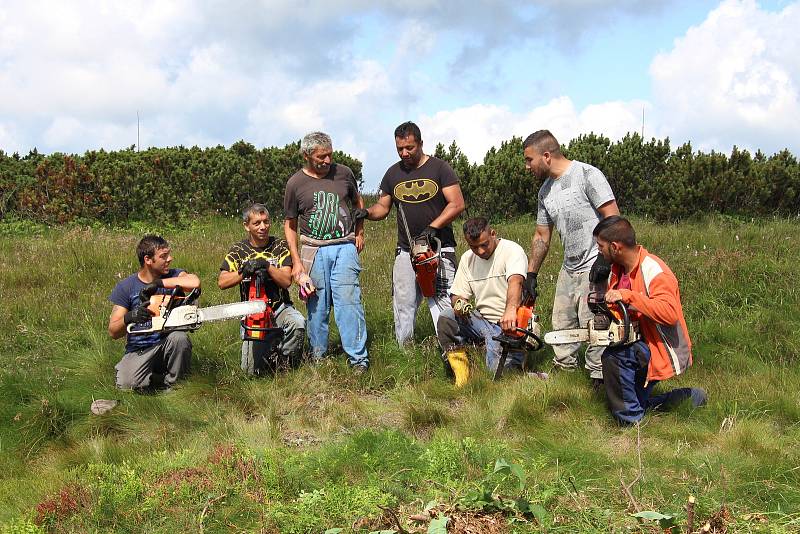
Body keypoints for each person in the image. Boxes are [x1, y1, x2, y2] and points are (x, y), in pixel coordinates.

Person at [523, 129, 619, 388]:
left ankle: (599, 380)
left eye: (529, 160)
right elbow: (542, 235)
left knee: (597, 325)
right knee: (562, 324)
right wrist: (531, 274)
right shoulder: (544, 192)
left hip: (595, 264)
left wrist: (605, 259)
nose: (527, 166)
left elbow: (613, 217)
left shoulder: (588, 175)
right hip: (569, 266)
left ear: (546, 156)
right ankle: (565, 376)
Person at [355, 121, 465, 344]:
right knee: (403, 303)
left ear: (421, 143)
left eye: (409, 148)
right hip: (406, 251)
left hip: (439, 248)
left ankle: (452, 349)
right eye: (399, 149)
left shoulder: (439, 168)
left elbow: (457, 203)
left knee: (442, 301)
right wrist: (365, 212)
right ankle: (405, 352)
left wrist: (433, 227)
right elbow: (383, 207)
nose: (404, 153)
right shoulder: (393, 174)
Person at [593, 216, 706, 424]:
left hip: (660, 346)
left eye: (600, 246)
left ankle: (631, 422)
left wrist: (628, 296)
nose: (598, 251)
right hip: (639, 341)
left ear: (615, 247)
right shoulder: (618, 270)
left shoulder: (654, 270)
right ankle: (690, 397)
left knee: (614, 357)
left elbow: (669, 313)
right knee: (635, 398)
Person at [283, 131, 369, 373]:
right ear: (307, 155)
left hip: (344, 246)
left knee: (349, 303)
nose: (328, 160)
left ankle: (358, 360)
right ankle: (318, 357)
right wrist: (296, 262)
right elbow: (289, 225)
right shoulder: (295, 184)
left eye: (330, 154)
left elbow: (358, 202)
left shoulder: (344, 173)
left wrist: (359, 231)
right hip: (313, 249)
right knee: (316, 306)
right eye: (322, 156)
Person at [436, 217, 536, 386]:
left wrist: (510, 310)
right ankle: (463, 377)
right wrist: (460, 304)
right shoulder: (468, 259)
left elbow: (516, 282)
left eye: (484, 245)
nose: (480, 251)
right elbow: (456, 295)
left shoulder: (511, 250)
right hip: (481, 322)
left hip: (510, 325)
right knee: (446, 318)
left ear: (493, 234)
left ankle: (522, 370)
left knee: (499, 378)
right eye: (474, 247)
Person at [218, 203, 306, 375]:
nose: (262, 227)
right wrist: (243, 272)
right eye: (257, 223)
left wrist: (267, 266)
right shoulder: (238, 250)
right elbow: (222, 282)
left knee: (298, 324)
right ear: (246, 226)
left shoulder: (279, 246)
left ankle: (283, 363)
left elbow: (286, 280)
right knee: (250, 372)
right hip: (252, 312)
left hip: (279, 307)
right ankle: (266, 356)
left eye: (266, 222)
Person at [108, 235, 200, 390]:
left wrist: (158, 283)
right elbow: (113, 331)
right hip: (139, 349)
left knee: (180, 338)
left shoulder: (175, 275)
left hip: (168, 343)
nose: (170, 259)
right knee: (127, 385)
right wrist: (131, 317)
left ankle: (176, 386)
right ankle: (156, 377)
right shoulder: (126, 287)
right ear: (148, 260)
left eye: (169, 254)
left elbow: (194, 283)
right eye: (163, 256)